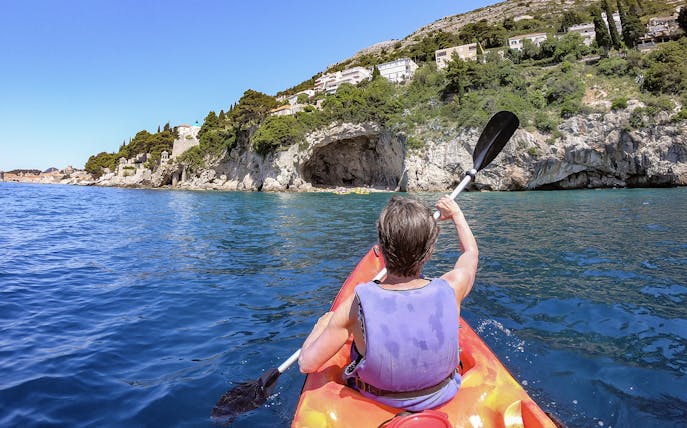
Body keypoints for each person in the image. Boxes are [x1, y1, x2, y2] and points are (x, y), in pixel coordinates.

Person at [298, 195, 478, 411]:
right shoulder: (453, 287)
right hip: (444, 394)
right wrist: (457, 215)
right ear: (429, 252)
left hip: (379, 400)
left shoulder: (357, 304)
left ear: (381, 251)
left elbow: (306, 363)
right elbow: (470, 253)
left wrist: (322, 324)